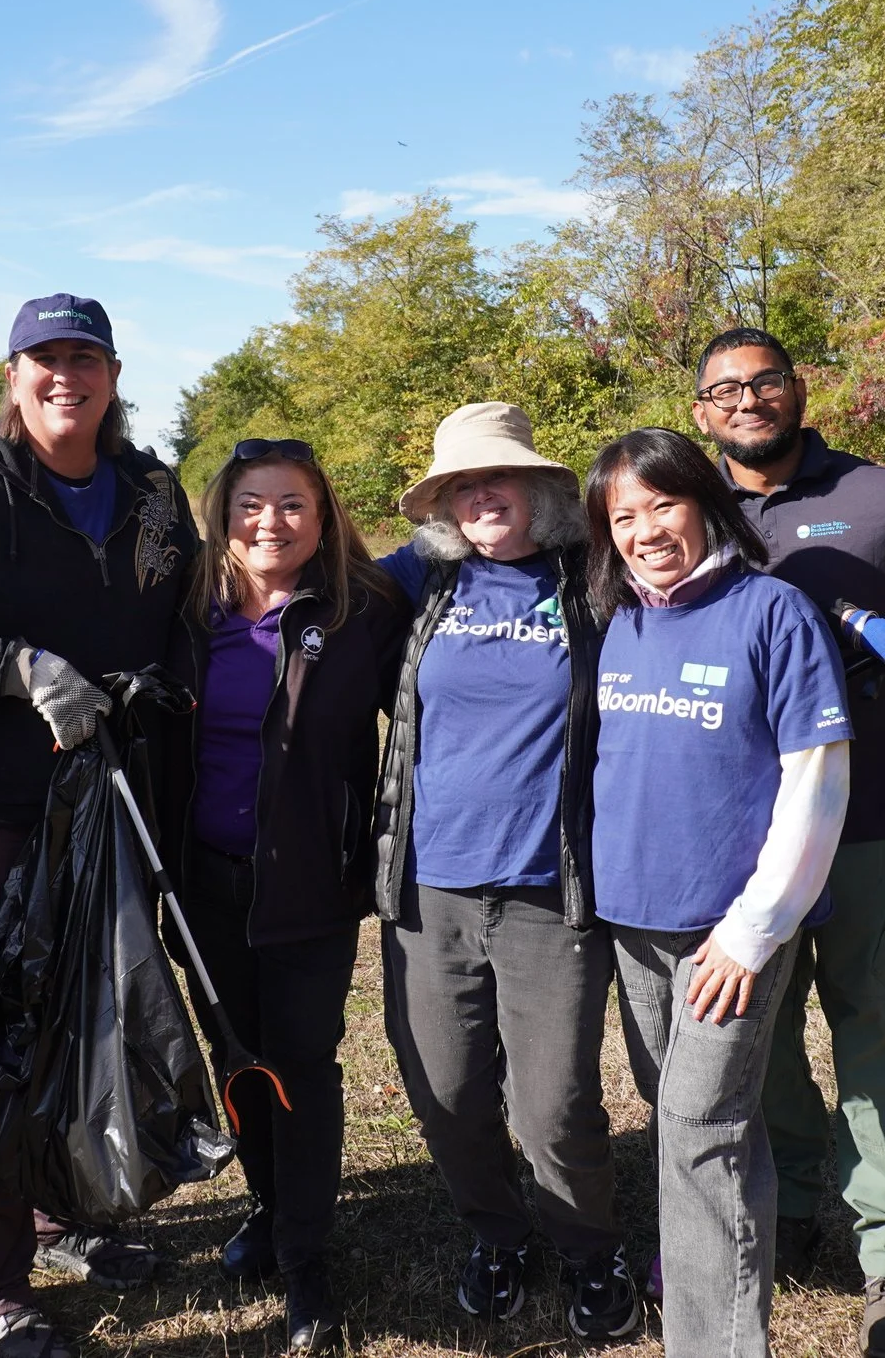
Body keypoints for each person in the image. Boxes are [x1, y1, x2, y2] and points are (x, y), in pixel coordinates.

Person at [0, 294, 200, 1358]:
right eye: (44, 357)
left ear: (114, 374)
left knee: (85, 1016)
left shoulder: (152, 492)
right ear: (12, 375)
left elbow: (181, 612)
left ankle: (63, 1213)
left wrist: (163, 688)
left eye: (85, 356)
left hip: (104, 803)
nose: (67, 375)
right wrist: (17, 668)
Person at [689, 326, 885, 1358]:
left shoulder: (883, 494)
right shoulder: (686, 504)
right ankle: (790, 1205)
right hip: (740, 827)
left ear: (797, 390)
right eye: (725, 389)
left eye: (766, 382)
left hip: (869, 814)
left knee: (878, 1036)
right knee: (762, 1031)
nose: (748, 400)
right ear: (701, 410)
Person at [370, 404, 641, 1339]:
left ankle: (590, 1248)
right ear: (443, 503)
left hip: (548, 887)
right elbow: (307, 602)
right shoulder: (421, 578)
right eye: (461, 484)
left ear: (539, 489)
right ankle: (496, 1234)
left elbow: (702, 592)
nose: (481, 495)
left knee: (554, 1103)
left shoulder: (592, 576)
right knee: (444, 1091)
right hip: (427, 887)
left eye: (500, 478)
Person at [584, 426, 852, 1358]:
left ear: (705, 501)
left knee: (699, 1125)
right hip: (632, 917)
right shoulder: (618, 618)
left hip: (729, 931)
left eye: (662, 503)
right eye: (623, 516)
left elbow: (817, 782)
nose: (645, 530)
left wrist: (754, 928)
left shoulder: (772, 611)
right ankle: (720, 1278)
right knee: (697, 1117)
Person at [162, 437, 405, 1352]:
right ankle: (267, 1208)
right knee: (237, 1060)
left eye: (293, 503)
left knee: (300, 1066)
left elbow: (429, 712)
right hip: (203, 882)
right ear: (222, 513)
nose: (271, 522)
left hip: (310, 883)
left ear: (324, 513)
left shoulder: (362, 608)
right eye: (252, 504)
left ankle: (306, 1260)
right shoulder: (184, 609)